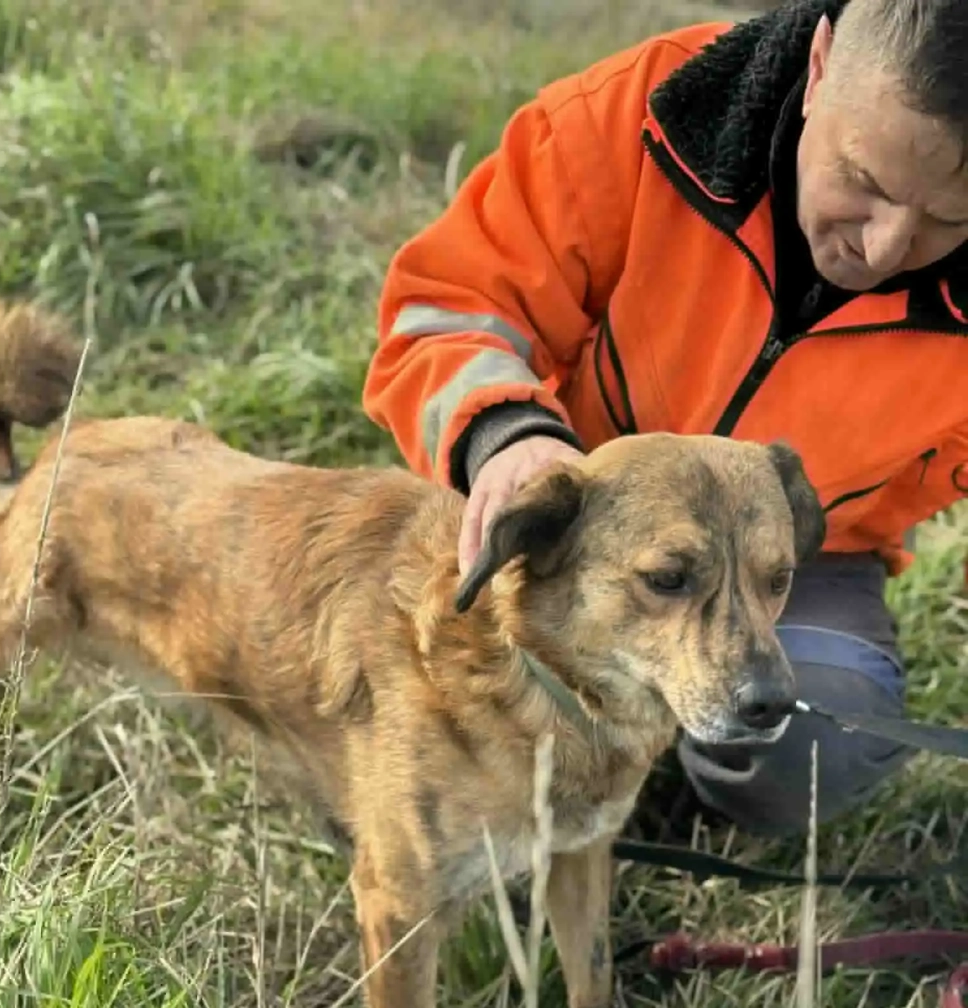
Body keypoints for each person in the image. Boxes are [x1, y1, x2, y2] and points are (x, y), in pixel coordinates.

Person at [362, 0, 968, 839]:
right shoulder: (647, 111)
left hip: (800, 555)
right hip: (575, 517)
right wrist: (506, 436)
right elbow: (448, 307)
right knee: (461, 704)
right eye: (863, 184)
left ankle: (670, 792)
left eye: (950, 220)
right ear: (820, 64)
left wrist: (772, 570)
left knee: (812, 748)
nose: (887, 247)